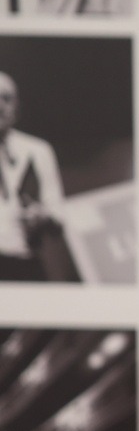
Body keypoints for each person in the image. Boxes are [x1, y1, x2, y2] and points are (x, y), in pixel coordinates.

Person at [0, 71, 66, 282]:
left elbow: (58, 214)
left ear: (17, 106)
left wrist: (41, 216)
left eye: (6, 98)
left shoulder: (38, 150)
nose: (0, 106)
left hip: (24, 263)